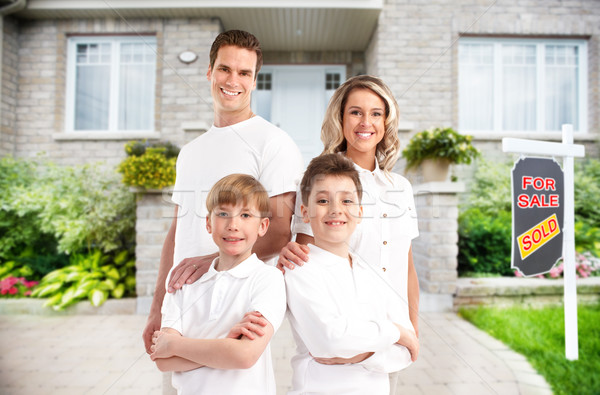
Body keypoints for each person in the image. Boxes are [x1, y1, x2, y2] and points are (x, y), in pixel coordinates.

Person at [142, 29, 303, 355]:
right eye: (225, 69)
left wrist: (211, 261)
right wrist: (157, 306)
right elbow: (177, 232)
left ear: (254, 81)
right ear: (210, 73)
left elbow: (281, 232)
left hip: (233, 310)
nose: (233, 80)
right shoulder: (189, 151)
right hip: (180, 310)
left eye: (244, 73)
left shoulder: (273, 143)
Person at [278, 75, 420, 393]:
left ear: (387, 122)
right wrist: (285, 252)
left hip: (394, 346)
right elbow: (306, 263)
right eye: (355, 112)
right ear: (340, 118)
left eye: (376, 113)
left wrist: (412, 330)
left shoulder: (400, 189)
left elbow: (406, 268)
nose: (365, 122)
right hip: (345, 344)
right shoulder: (320, 181)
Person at [150, 174, 286, 394]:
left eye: (245, 215)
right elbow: (163, 361)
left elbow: (244, 355)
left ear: (263, 226)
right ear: (208, 223)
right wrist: (227, 344)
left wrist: (174, 345)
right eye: (223, 214)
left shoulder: (268, 279)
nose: (233, 225)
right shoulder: (184, 282)